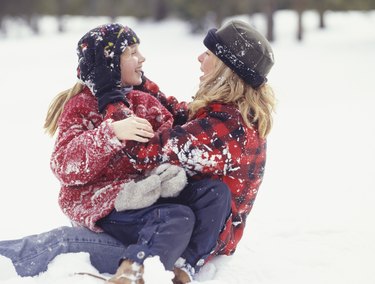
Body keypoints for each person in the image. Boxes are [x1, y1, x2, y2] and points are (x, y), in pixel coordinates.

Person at [44, 22, 232, 284]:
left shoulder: (145, 103)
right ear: (109, 63)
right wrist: (111, 133)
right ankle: (133, 272)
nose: (142, 58)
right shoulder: (81, 107)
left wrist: (170, 169)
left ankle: (183, 266)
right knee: (175, 217)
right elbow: (64, 166)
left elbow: (168, 141)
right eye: (131, 52)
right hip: (105, 205)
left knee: (215, 193)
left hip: (146, 196)